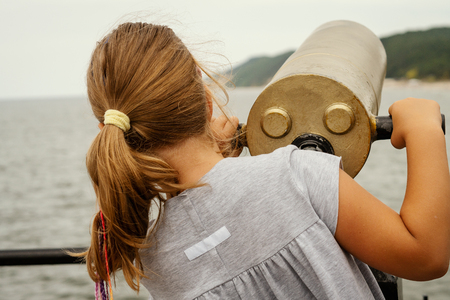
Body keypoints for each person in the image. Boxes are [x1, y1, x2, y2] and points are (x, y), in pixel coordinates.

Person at [81, 22, 450, 300]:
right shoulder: (294, 176)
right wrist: (424, 130)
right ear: (206, 100)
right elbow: (425, 256)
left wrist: (221, 159)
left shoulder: (154, 259)